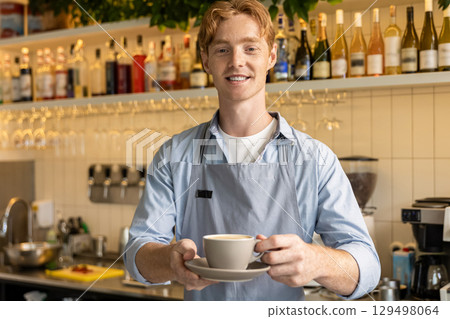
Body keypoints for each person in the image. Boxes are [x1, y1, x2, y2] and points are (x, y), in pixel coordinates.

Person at [124, 0, 380, 301]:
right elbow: (136, 253)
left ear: (271, 56)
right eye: (222, 49)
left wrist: (317, 261)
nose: (236, 61)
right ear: (206, 60)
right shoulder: (173, 156)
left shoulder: (316, 159)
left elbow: (367, 266)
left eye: (250, 48)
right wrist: (170, 260)